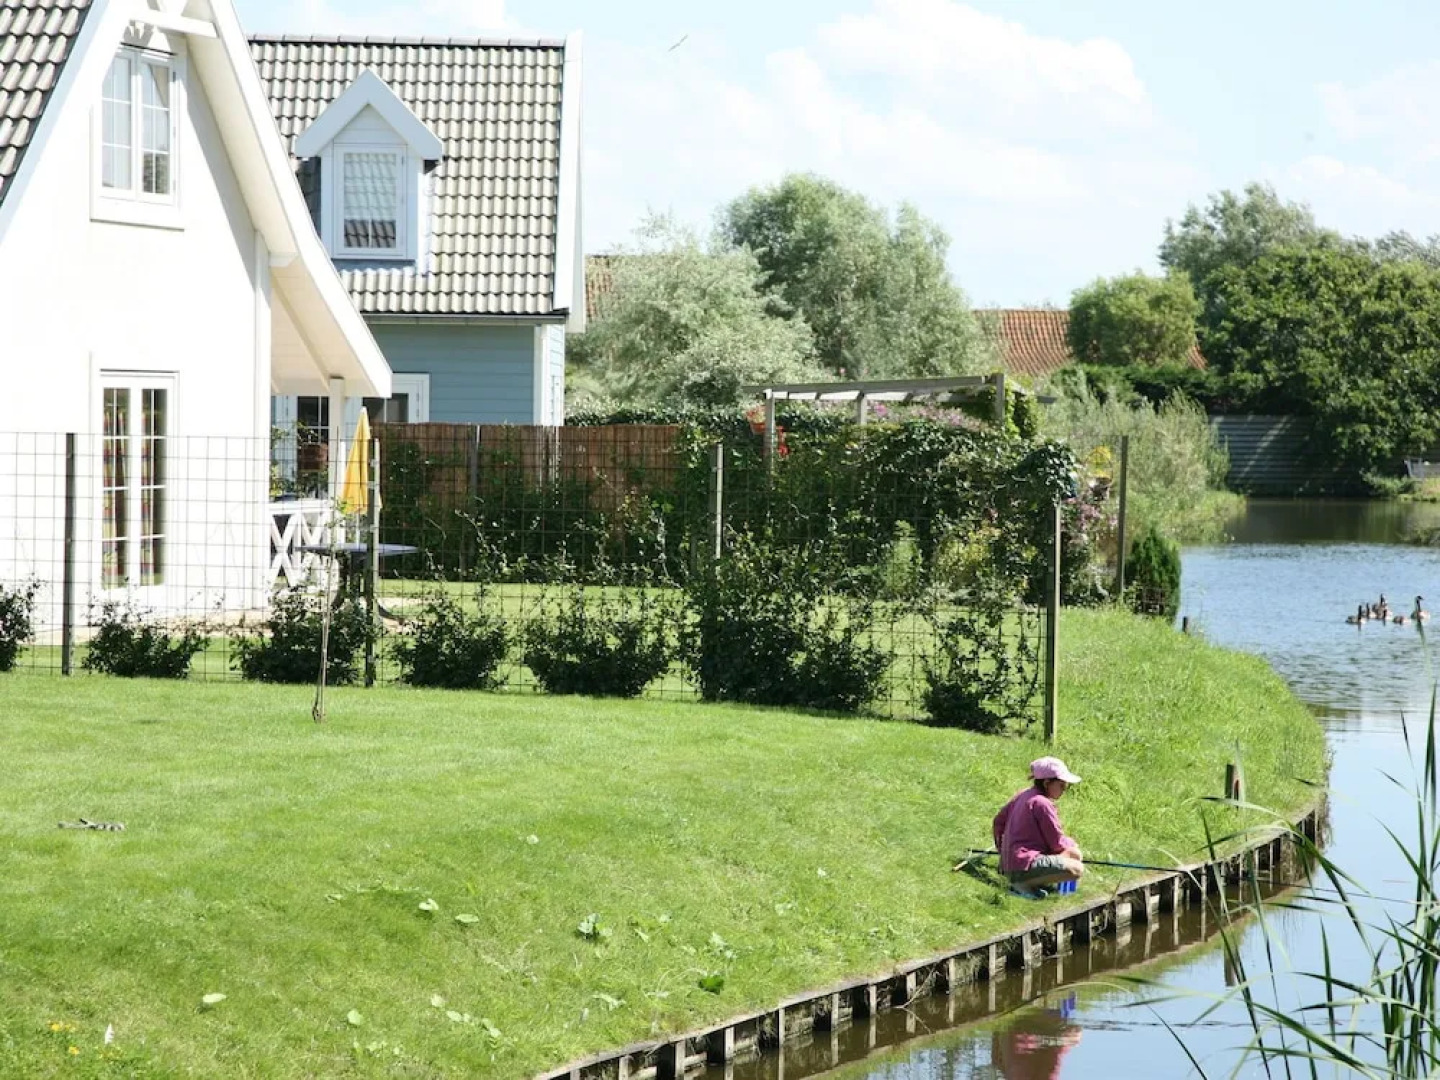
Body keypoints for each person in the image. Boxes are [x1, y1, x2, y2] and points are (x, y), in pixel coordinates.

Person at [992, 757, 1084, 898]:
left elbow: (998, 822)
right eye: (1061, 785)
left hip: (1009, 863)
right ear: (1047, 783)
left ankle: (1026, 881)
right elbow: (1056, 844)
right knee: (1077, 869)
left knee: (1074, 854)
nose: (1064, 789)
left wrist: (1002, 852)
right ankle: (1021, 884)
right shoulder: (1042, 804)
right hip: (1022, 864)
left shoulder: (1024, 794)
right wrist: (1071, 844)